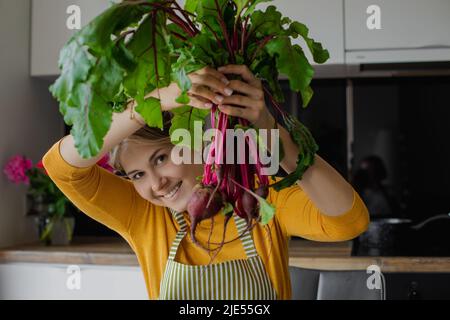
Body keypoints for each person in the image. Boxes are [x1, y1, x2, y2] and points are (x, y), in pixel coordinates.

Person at [43, 64, 370, 300]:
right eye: (137, 175)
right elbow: (60, 166)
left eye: (161, 158)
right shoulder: (143, 216)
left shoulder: (257, 198)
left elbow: (347, 222)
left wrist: (271, 133)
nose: (156, 184)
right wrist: (150, 105)